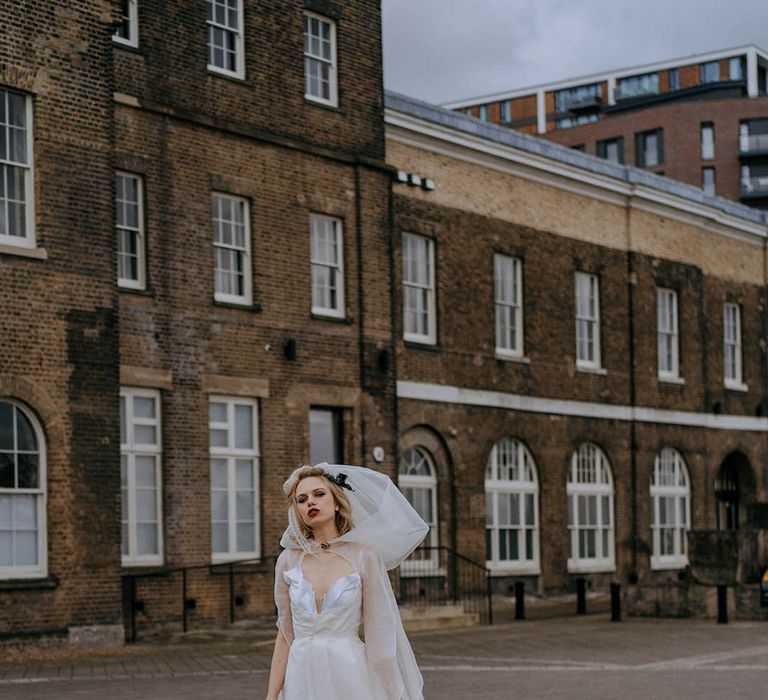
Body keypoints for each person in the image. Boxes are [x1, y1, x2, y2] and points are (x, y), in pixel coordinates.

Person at [265, 463, 428, 700]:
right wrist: (271, 696)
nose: (310, 502)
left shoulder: (364, 556)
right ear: (297, 511)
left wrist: (396, 693)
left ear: (337, 503)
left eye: (319, 494)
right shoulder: (288, 560)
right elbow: (285, 635)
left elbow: (379, 633)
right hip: (301, 678)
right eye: (302, 499)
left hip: (350, 676)